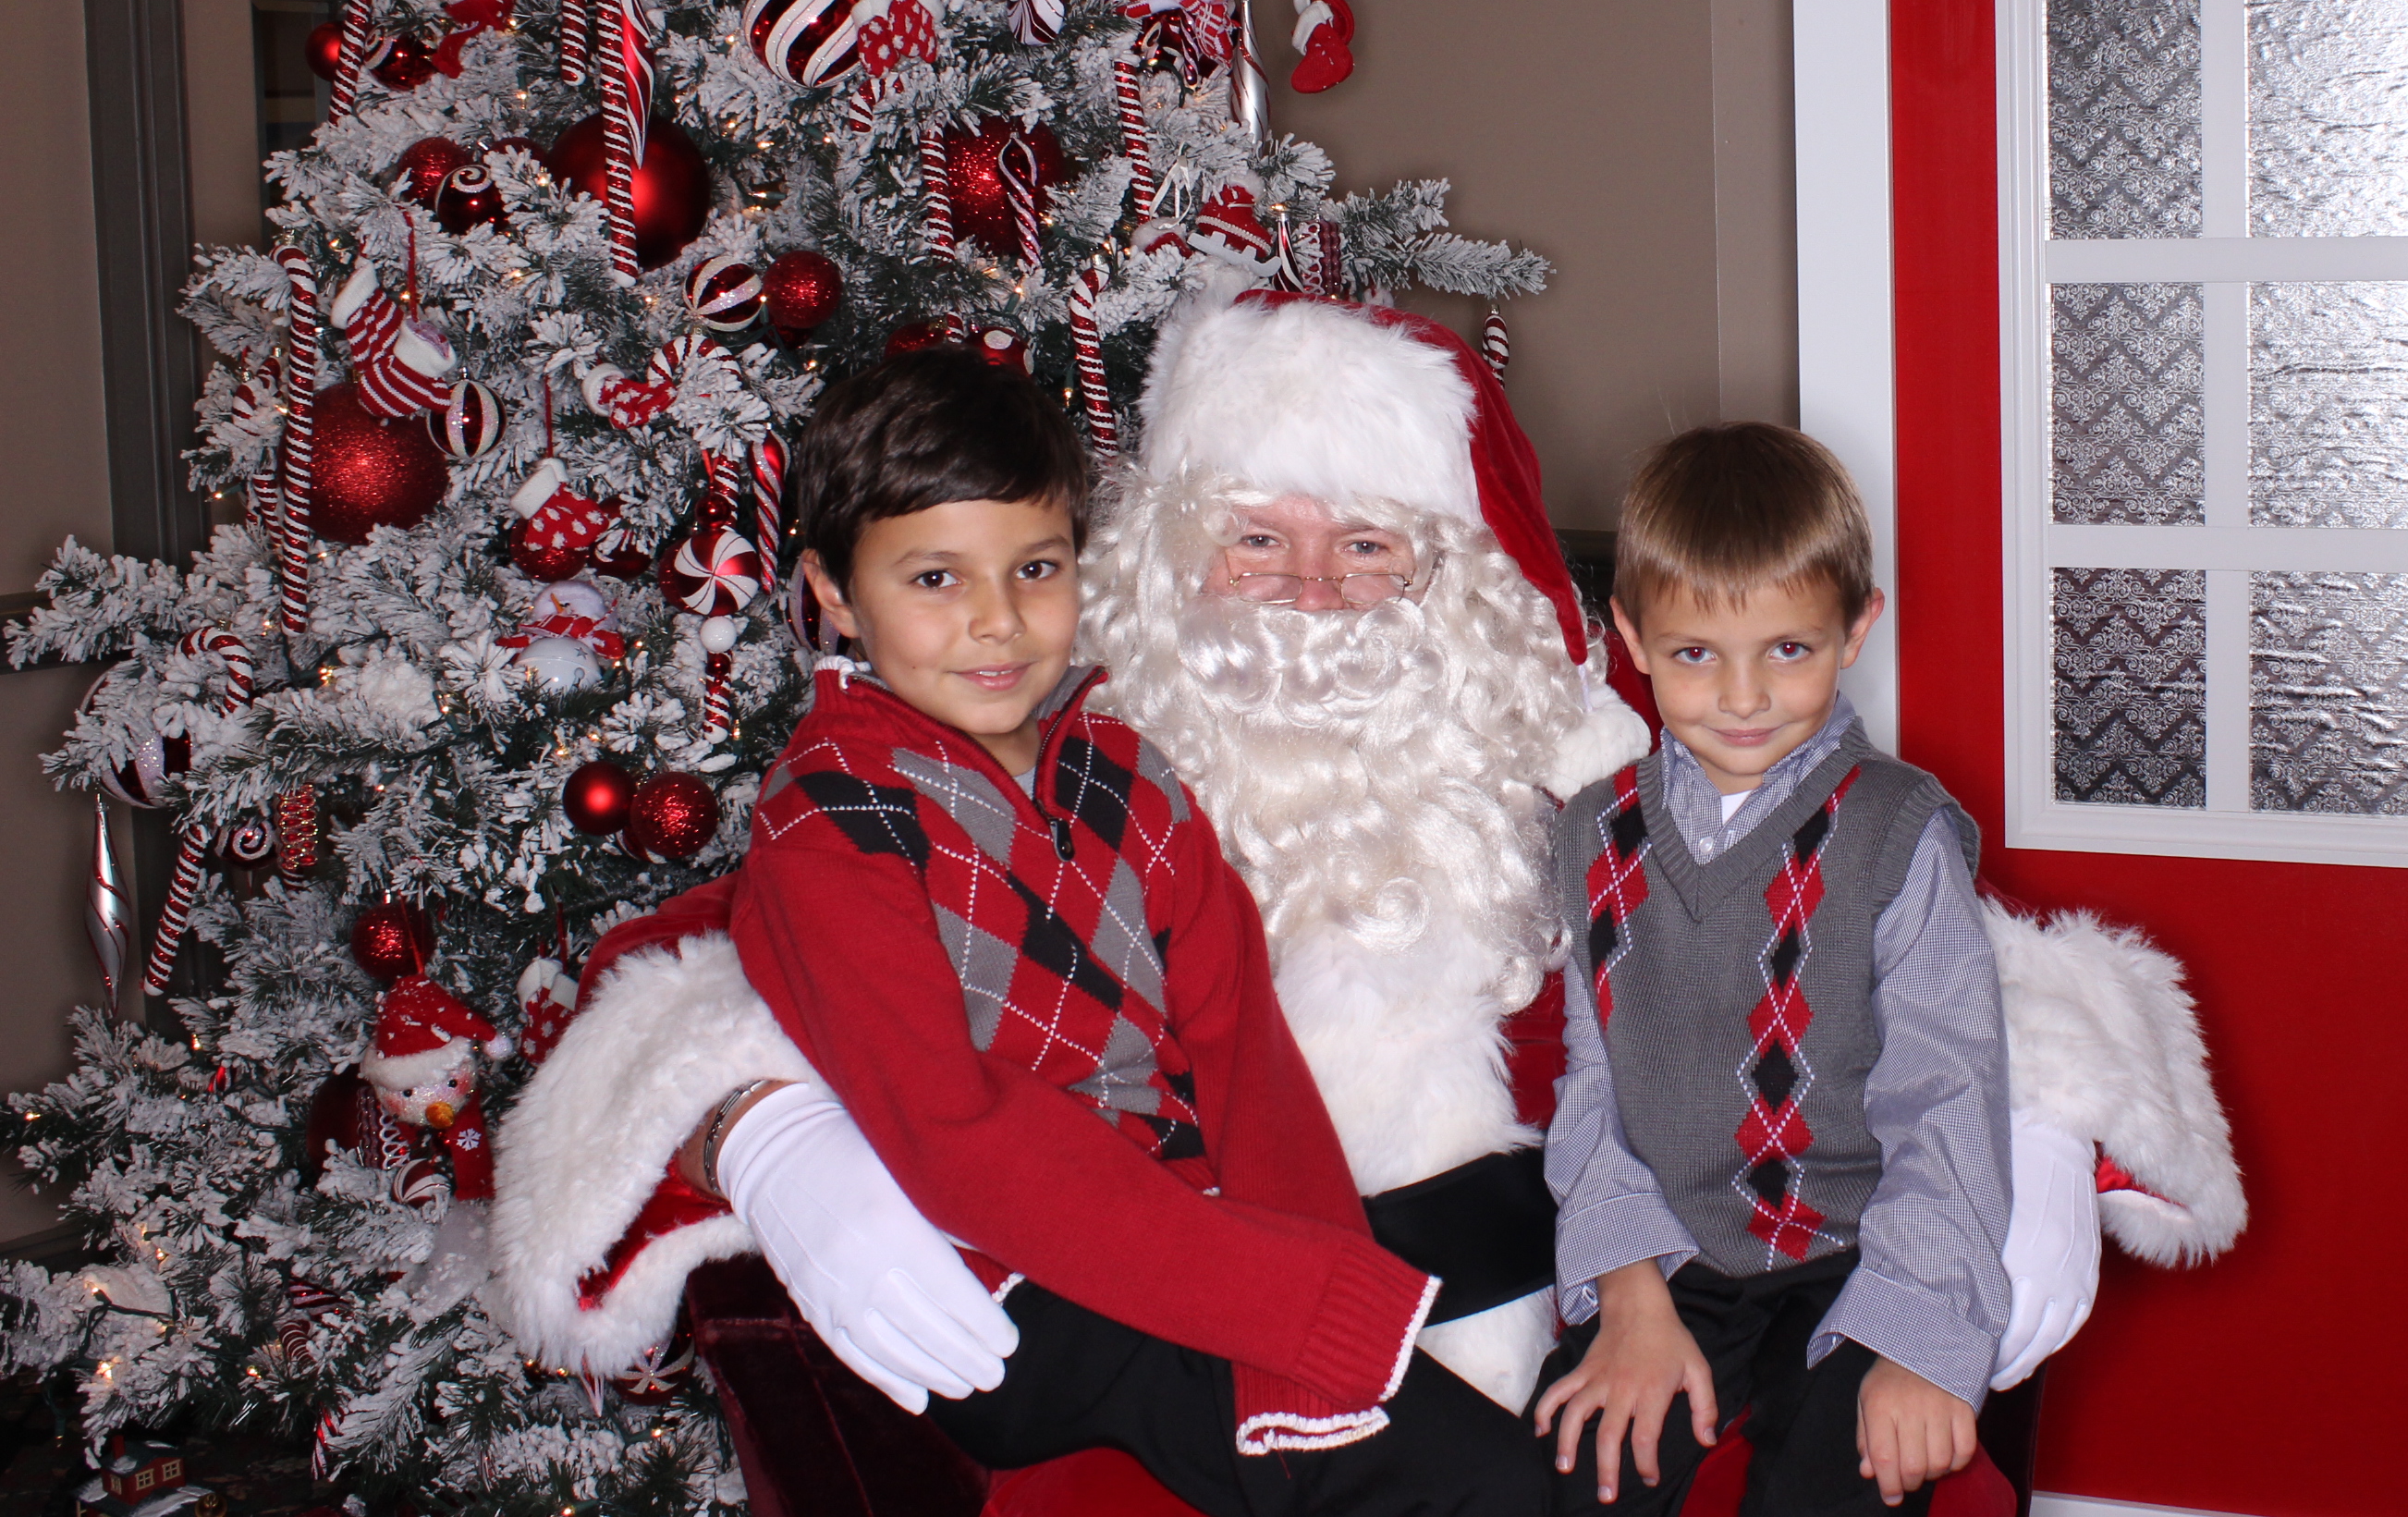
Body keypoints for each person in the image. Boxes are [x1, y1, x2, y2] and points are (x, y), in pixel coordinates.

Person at [490, 291, 2246, 1496]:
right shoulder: (1070, 749)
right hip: (1187, 1284)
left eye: (1370, 545)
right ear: (1169, 559)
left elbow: (1898, 923)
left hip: (1569, 1281)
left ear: (1456, 576)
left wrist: (2037, 1132)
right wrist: (760, 1131)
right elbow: (711, 962)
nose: (1314, 593)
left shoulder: (1577, 759)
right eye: (1258, 538)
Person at [696, 346, 1534, 1511]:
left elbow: (1243, 1052)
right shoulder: (831, 826)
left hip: (1188, 1233)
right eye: (935, 579)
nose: (997, 623)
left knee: (1506, 1252)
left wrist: (1316, 1268)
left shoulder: (1127, 772)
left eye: (1035, 569)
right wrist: (1289, 1304)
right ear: (833, 592)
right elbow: (960, 1139)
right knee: (1481, 1483)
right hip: (1014, 1296)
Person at [1533, 425, 2001, 1515]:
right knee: (1577, 1471)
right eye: (1696, 654)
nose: (1743, 697)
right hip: (1674, 1256)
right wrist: (1629, 1290)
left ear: (1856, 628)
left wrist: (1920, 1340)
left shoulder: (1897, 833)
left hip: (1856, 1250)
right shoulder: (1593, 834)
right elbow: (1592, 1086)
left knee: (1838, 1483)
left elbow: (1948, 1098)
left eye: (1788, 649)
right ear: (1632, 637)